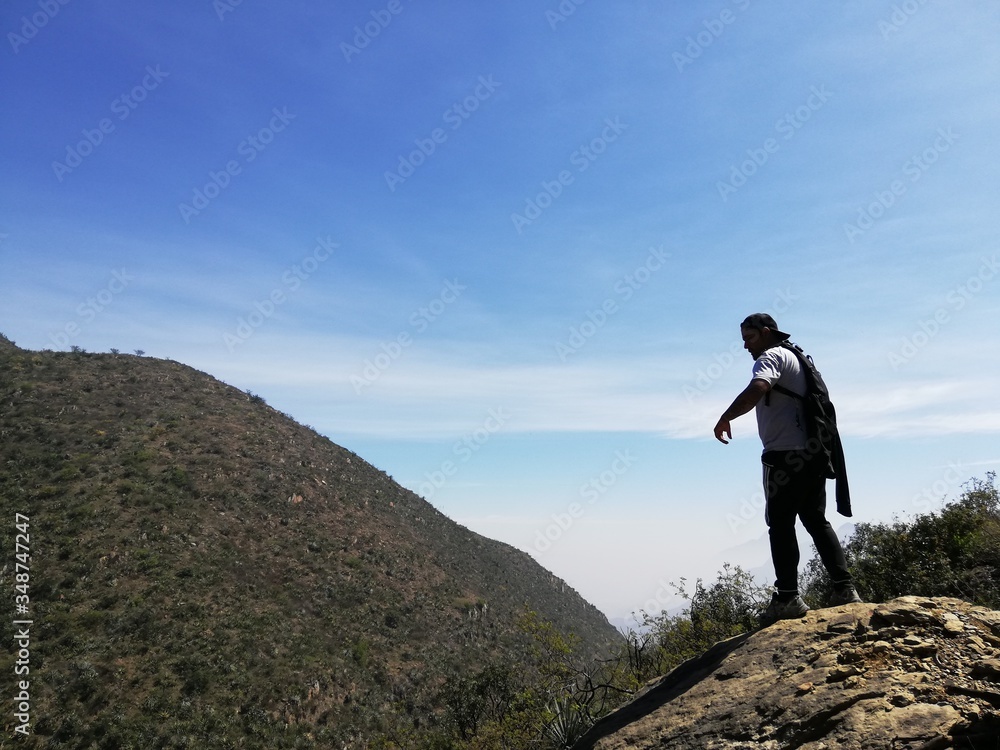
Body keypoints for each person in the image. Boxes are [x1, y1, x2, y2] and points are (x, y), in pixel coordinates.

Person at [713, 313, 861, 622]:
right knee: (816, 520)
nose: (745, 346)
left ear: (766, 332)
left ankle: (788, 597)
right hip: (813, 453)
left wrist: (726, 416)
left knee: (780, 524)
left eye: (749, 338)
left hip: (784, 455)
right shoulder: (797, 357)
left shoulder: (771, 357)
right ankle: (844, 589)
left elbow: (758, 387)